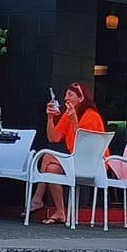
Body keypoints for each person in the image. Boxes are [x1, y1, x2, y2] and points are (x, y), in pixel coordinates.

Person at [31, 82, 104, 225]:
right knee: (51, 170)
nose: (65, 98)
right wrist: (50, 118)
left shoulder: (92, 116)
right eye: (65, 95)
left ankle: (37, 198)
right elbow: (54, 138)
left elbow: (84, 145)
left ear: (81, 98)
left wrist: (74, 121)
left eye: (70, 95)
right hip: (76, 161)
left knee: (47, 156)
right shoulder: (67, 115)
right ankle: (60, 212)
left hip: (93, 162)